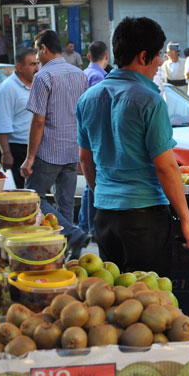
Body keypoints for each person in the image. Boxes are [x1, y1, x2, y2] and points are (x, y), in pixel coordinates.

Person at [76, 17, 189, 275]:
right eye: (157, 55)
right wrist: (187, 220)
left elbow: (85, 160)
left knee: (116, 298)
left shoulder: (88, 98)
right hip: (143, 218)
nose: (160, 62)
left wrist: (104, 195)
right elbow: (166, 167)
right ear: (143, 56)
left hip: (104, 217)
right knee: (149, 302)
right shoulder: (149, 101)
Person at [20, 30, 90, 260]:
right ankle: (71, 256)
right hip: (73, 149)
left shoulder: (43, 76)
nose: (37, 59)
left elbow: (38, 120)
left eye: (37, 52)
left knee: (33, 198)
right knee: (66, 204)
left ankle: (72, 234)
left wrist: (30, 157)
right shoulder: (79, 74)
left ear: (43, 49)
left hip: (49, 151)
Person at [0, 48, 39, 189]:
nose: (37, 68)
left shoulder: (37, 85)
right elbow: (2, 123)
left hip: (34, 148)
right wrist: (6, 153)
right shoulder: (8, 88)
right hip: (17, 148)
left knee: (37, 193)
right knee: (25, 195)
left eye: (38, 63)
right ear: (19, 67)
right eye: (32, 64)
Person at [78, 40, 109, 238]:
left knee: (89, 184)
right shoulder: (100, 78)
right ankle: (90, 228)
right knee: (92, 185)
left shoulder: (84, 74)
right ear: (106, 56)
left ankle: (83, 224)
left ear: (89, 56)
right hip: (95, 137)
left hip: (83, 134)